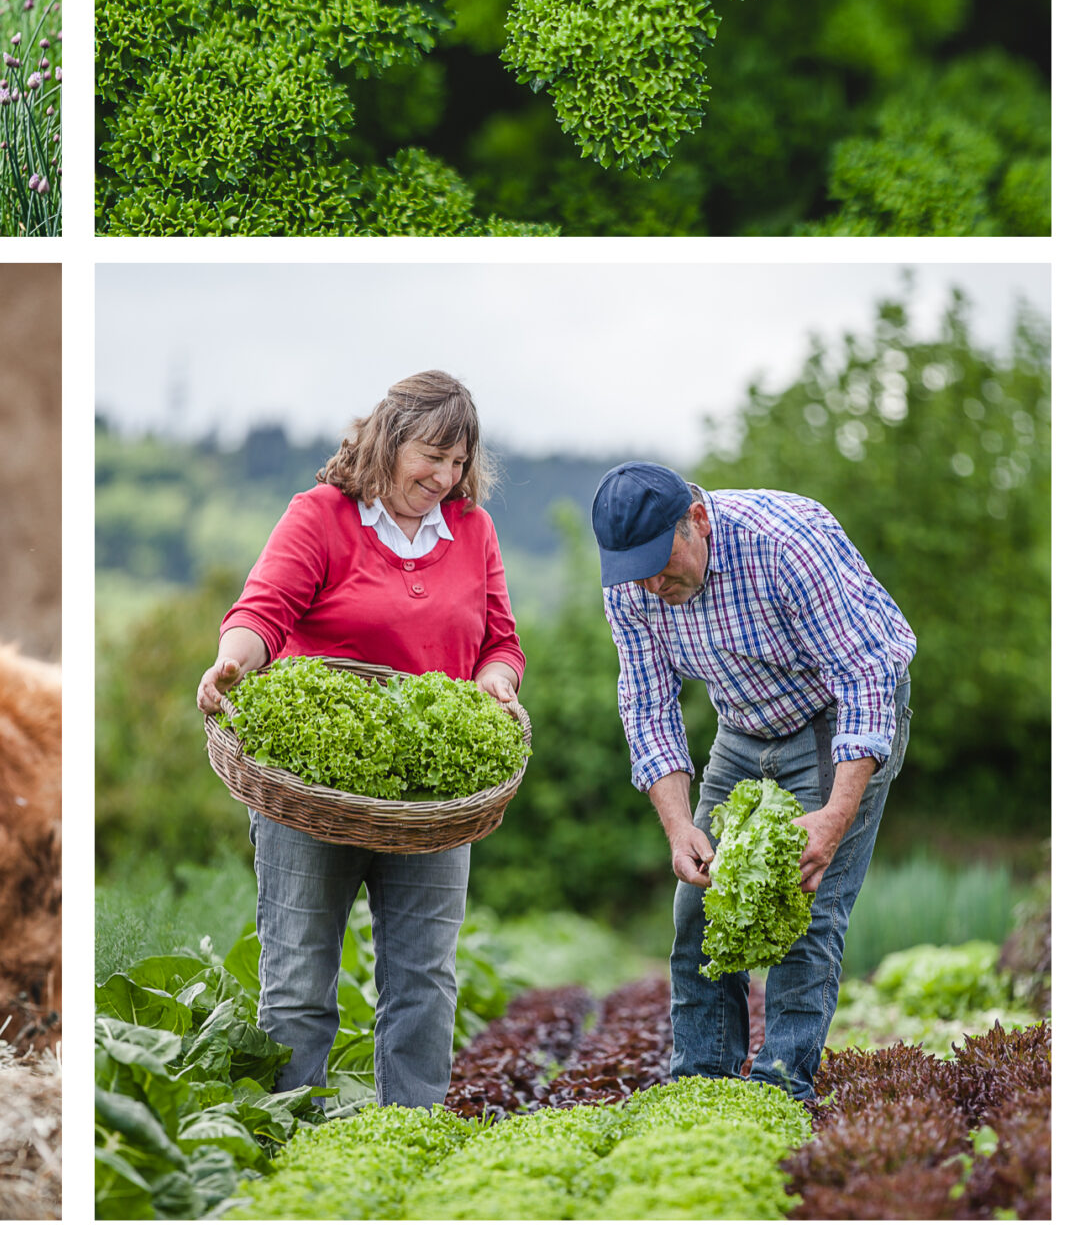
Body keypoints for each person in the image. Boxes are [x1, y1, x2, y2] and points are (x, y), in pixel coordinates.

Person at [196, 372, 525, 1108]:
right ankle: (288, 1139)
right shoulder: (321, 516)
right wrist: (232, 659)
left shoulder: (472, 532)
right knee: (298, 981)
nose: (446, 478)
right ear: (389, 440)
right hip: (312, 796)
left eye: (460, 463)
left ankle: (408, 1135)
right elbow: (264, 610)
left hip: (429, 804)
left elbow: (501, 643)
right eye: (433, 457)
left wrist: (498, 682)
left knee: (423, 981)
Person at [593, 460, 916, 1102]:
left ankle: (780, 1091)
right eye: (636, 570)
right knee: (700, 906)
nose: (653, 582)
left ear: (698, 520)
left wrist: (833, 816)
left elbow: (865, 679)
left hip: (838, 716)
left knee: (808, 908)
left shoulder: (784, 547)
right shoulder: (631, 585)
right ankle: (702, 1085)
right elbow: (648, 704)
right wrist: (680, 825)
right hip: (744, 724)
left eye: (664, 559)